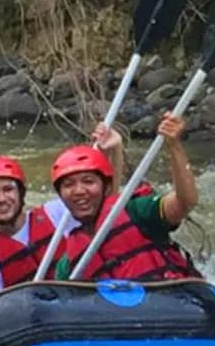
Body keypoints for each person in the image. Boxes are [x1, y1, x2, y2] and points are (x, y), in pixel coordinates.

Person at [0, 125, 124, 297]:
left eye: (8, 189)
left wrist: (115, 150)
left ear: (21, 193)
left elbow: (107, 204)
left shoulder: (57, 213)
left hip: (83, 299)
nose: (1, 199)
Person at [53, 113, 202, 282]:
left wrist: (174, 145)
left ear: (106, 188)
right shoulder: (68, 265)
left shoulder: (137, 212)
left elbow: (185, 202)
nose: (78, 191)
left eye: (88, 181)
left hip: (172, 299)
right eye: (68, 185)